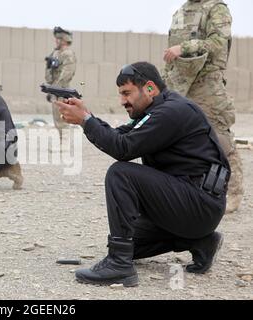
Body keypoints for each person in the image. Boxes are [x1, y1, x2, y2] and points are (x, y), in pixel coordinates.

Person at [56, 62, 230, 287]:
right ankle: (201, 241)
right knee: (131, 245)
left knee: (121, 174)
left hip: (199, 204)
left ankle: (119, 267)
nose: (123, 101)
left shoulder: (172, 112)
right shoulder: (156, 111)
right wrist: (88, 117)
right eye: (120, 94)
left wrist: (85, 121)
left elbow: (122, 148)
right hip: (193, 206)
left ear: (149, 88)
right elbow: (119, 135)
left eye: (127, 93)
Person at [163, 0, 243, 214]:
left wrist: (185, 48)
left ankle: (233, 193)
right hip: (180, 82)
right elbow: (171, 53)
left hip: (207, 84)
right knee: (181, 138)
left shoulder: (216, 8)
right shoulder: (182, 10)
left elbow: (218, 41)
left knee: (219, 136)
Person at [45, 27, 77, 136]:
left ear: (63, 40)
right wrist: (49, 67)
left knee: (62, 119)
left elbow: (67, 74)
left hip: (62, 90)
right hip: (56, 90)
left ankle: (65, 144)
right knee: (57, 119)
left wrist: (56, 89)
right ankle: (62, 143)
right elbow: (50, 77)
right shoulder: (56, 54)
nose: (56, 41)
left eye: (58, 39)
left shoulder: (68, 54)